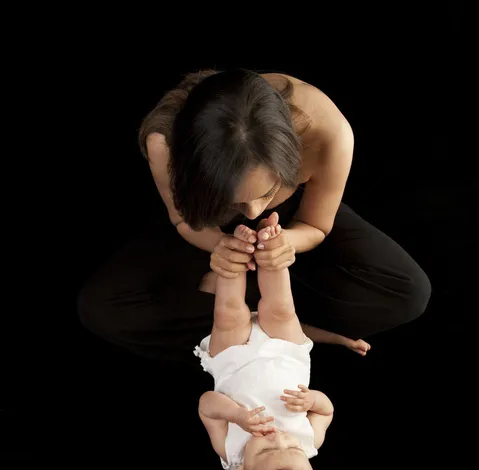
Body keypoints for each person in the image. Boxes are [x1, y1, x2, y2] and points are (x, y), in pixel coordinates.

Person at [77, 68, 431, 365]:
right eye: (237, 201)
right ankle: (281, 327)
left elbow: (316, 225)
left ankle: (244, 320)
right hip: (205, 219)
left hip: (291, 221)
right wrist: (222, 246)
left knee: (407, 292)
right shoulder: (165, 141)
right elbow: (184, 220)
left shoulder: (328, 130)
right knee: (102, 309)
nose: (254, 212)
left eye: (267, 192)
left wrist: (287, 243)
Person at [196, 212, 370, 470]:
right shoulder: (311, 441)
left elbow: (206, 405)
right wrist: (311, 399)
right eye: (290, 447)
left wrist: (236, 414)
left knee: (229, 314)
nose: (275, 436)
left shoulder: (229, 450)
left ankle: (235, 248)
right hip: (286, 354)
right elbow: (326, 410)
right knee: (280, 309)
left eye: (263, 450)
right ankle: (270, 245)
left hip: (232, 360)